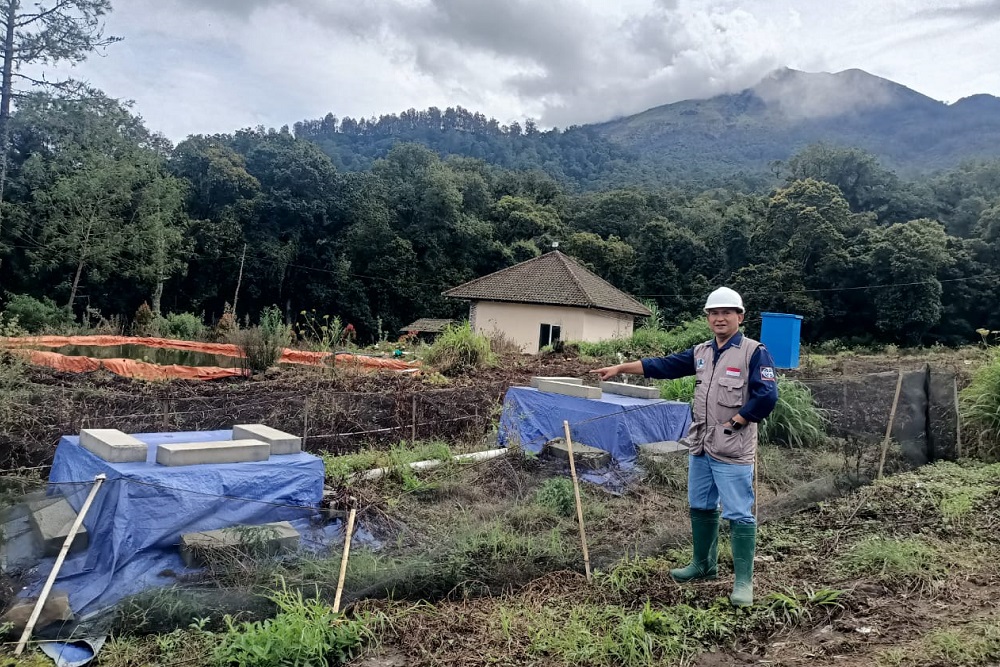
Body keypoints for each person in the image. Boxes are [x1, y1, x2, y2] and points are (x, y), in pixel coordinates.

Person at [593, 287, 778, 606]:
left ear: (740, 317)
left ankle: (743, 582)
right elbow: (664, 365)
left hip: (733, 449)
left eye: (726, 313)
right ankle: (703, 566)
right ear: (708, 318)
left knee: (738, 513)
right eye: (713, 313)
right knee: (701, 506)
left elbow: (767, 395)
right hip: (702, 447)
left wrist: (738, 421)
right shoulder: (702, 352)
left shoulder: (753, 352)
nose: (719, 318)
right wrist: (621, 369)